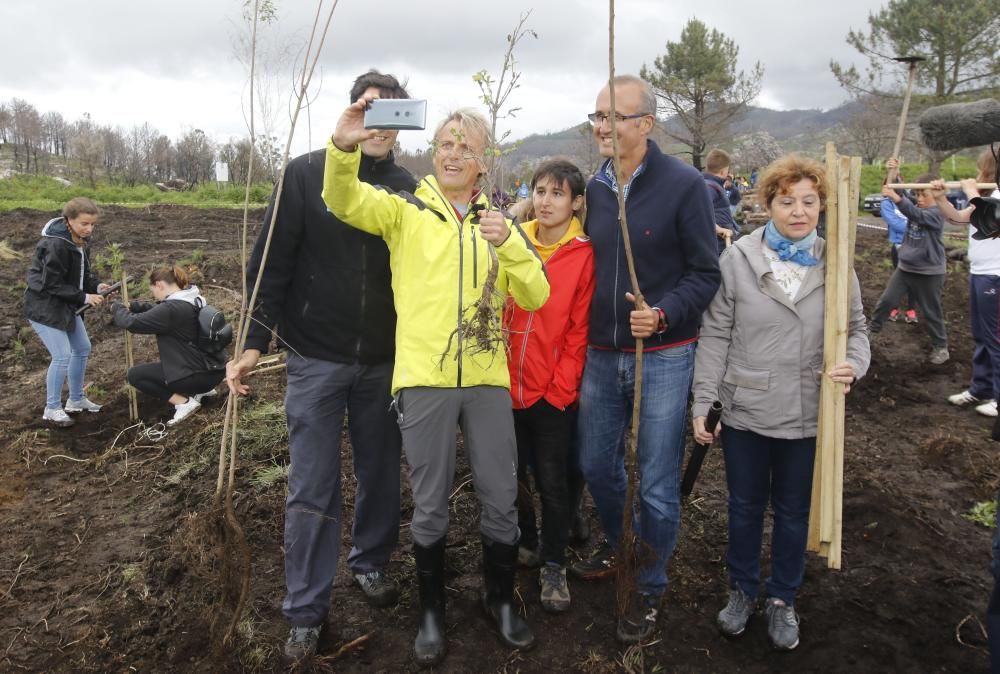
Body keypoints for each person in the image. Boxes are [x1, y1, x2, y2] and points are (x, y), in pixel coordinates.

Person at [325, 99, 550, 665]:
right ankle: (431, 612)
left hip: (486, 380)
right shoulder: (405, 212)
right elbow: (343, 199)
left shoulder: (498, 224)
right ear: (434, 152)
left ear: (482, 163)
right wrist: (343, 146)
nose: (453, 154)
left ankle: (499, 599)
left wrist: (510, 245)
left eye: (466, 147)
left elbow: (536, 295)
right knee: (429, 504)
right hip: (424, 379)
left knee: (500, 495)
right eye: (446, 143)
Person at [225, 70, 417, 664]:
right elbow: (272, 265)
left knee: (383, 470)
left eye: (393, 112)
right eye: (370, 109)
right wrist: (253, 343)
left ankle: (371, 562)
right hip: (315, 360)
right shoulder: (306, 174)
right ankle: (306, 610)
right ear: (352, 114)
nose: (381, 123)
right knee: (312, 484)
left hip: (384, 362)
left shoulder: (410, 189)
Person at [691, 154, 870, 651]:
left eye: (809, 201)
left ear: (822, 206)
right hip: (746, 410)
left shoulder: (837, 266)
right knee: (745, 507)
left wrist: (853, 364)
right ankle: (743, 589)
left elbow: (856, 331)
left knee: (793, 512)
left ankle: (782, 598)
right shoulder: (739, 261)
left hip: (810, 414)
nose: (798, 211)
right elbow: (716, 337)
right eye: (787, 200)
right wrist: (704, 401)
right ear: (767, 203)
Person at [572, 75, 720, 644]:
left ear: (646, 124)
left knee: (657, 481)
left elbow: (705, 273)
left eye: (614, 117)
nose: (603, 127)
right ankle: (624, 544)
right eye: (598, 116)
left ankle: (650, 586)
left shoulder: (684, 186)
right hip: (603, 352)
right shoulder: (596, 187)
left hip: (664, 352)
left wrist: (661, 313)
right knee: (595, 464)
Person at [504, 159, 595, 613]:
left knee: (553, 482)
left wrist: (560, 390)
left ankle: (555, 563)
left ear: (576, 202)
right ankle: (528, 537)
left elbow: (578, 330)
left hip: (551, 392)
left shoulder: (583, 255)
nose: (546, 201)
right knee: (513, 474)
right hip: (506, 386)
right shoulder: (513, 243)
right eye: (540, 191)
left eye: (558, 193)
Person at [24, 197, 109, 427]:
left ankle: (76, 400)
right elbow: (51, 284)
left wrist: (97, 286)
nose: (89, 229)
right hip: (44, 306)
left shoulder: (81, 242)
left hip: (64, 305)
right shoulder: (56, 244)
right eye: (84, 223)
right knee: (61, 356)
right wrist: (84, 297)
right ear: (68, 220)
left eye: (92, 224)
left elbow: (83, 275)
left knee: (82, 348)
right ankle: (52, 408)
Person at [109, 265, 224, 425]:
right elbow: (157, 309)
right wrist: (133, 306)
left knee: (136, 375)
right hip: (214, 372)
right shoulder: (194, 300)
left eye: (153, 291)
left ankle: (184, 403)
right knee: (175, 364)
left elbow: (131, 322)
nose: (154, 295)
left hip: (195, 375)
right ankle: (201, 392)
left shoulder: (171, 309)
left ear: (159, 285)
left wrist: (117, 308)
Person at [937, 150, 1000, 417]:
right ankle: (982, 388)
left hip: (996, 276)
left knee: (996, 338)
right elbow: (957, 218)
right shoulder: (988, 199)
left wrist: (972, 192)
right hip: (979, 273)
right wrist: (940, 198)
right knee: (981, 335)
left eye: (980, 169)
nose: (977, 174)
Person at [868, 157, 949, 364]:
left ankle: (940, 347)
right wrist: (893, 173)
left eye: (924, 194)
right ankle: (871, 332)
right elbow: (899, 192)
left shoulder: (937, 213)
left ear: (936, 194)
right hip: (906, 268)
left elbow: (909, 209)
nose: (920, 198)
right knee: (886, 301)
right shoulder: (918, 206)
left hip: (929, 271)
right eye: (918, 194)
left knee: (931, 311)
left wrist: (896, 197)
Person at [880, 195, 919, 324]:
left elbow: (917, 213)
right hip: (898, 245)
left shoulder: (908, 200)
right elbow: (894, 223)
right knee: (898, 279)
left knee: (913, 278)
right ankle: (893, 309)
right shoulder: (887, 203)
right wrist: (914, 226)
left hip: (913, 244)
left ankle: (911, 310)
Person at [703, 148, 741, 253]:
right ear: (723, 170)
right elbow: (699, 212)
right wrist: (719, 229)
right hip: (718, 243)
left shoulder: (712, 185)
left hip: (721, 241)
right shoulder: (710, 186)